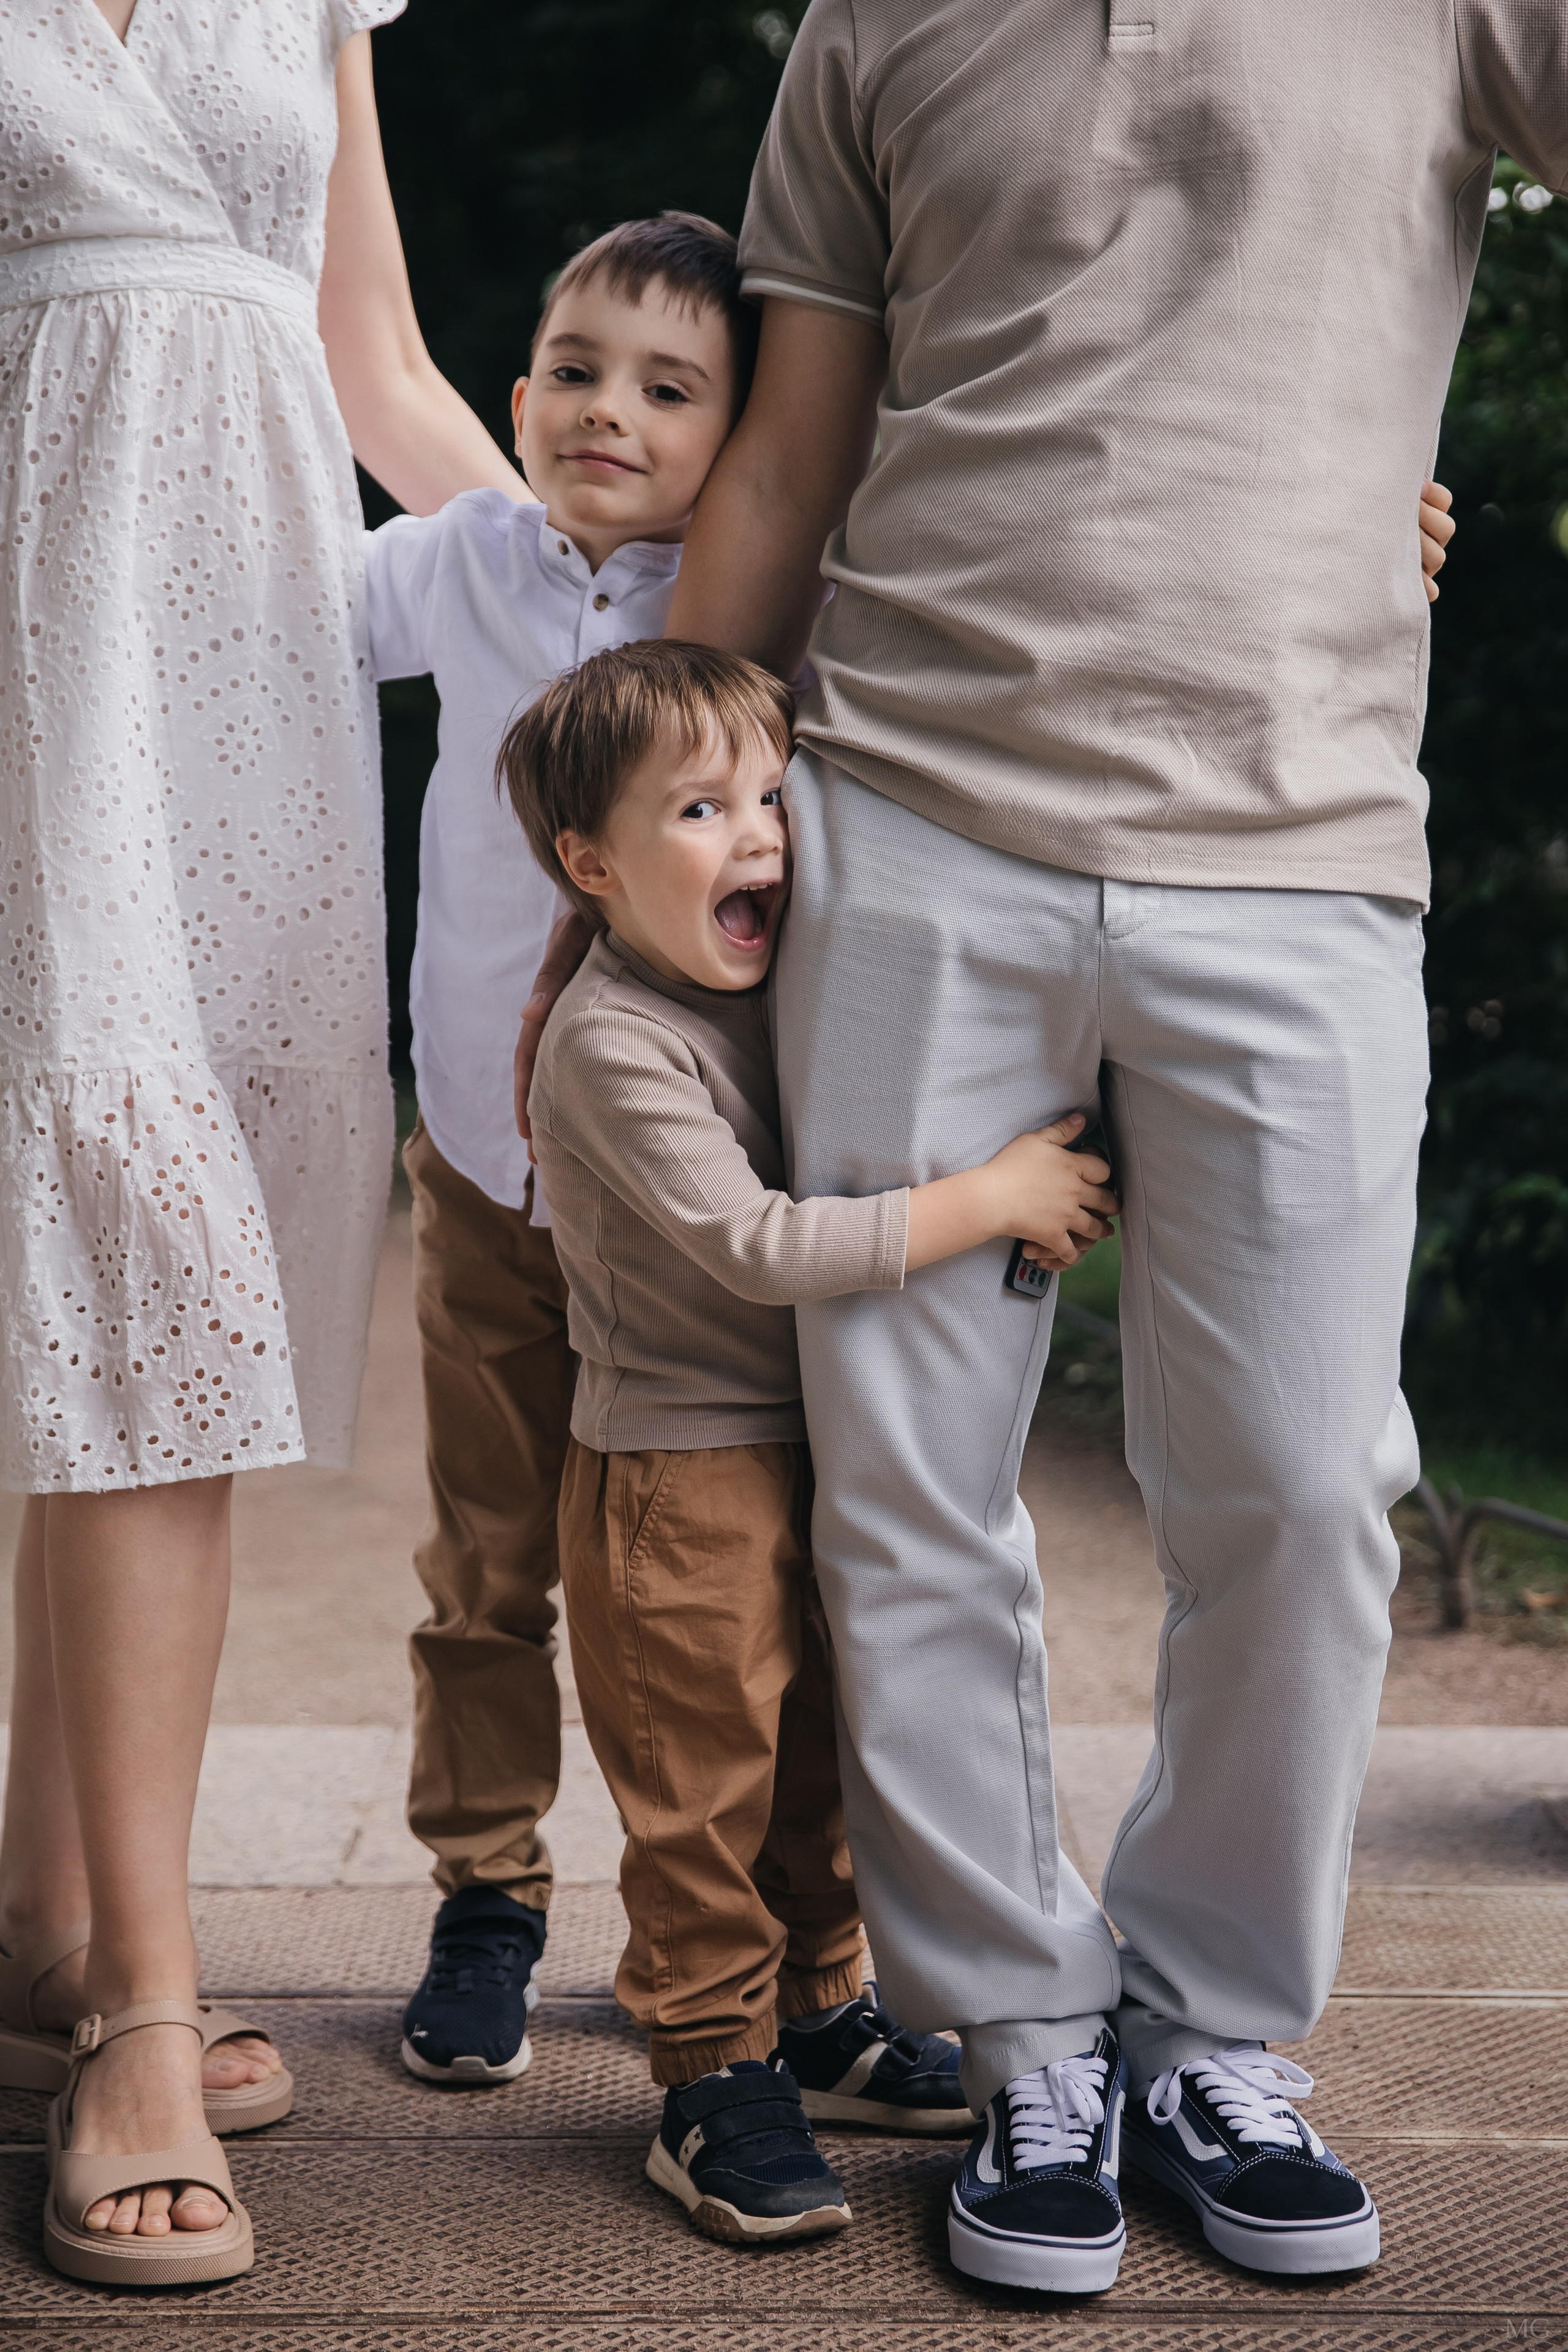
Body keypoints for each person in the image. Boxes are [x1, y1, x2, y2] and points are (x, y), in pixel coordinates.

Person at [597, 0, 1496, 2297]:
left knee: (1302, 1487)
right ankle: (1027, 2036)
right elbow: (785, 469)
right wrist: (612, 903)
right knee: (910, 1487)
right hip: (913, 817)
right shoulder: (873, 25)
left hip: (1297, 848)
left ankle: (1215, 2033)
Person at [0, 0, 527, 2286]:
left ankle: (53, 1908)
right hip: (34, 630)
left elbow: (374, 350)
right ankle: (141, 1993)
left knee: (152, 1259)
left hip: (242, 674)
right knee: (110, 1247)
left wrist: (624, 588)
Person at [363, 218, 970, 2152]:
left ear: (748, 435)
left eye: (667, 384)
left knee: (755, 1589)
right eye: (568, 364)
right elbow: (246, 610)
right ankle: (485, 1889)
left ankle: (812, 1971)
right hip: (485, 1174)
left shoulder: (775, 610)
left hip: (698, 1199)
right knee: (486, 1564)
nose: (602, 406)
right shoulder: (460, 561)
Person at [503, 637, 1121, 2245]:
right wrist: (984, 1201)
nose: (762, 833)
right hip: (675, 1476)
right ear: (594, 864)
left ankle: (825, 2012)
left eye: (775, 795)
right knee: (701, 1782)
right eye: (702, 808)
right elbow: (765, 1245)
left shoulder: (787, 985)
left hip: (817, 1438)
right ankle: (713, 2070)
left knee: (829, 1755)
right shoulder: (613, 1042)